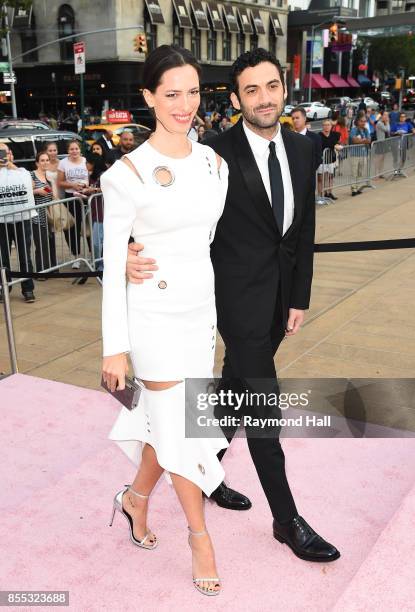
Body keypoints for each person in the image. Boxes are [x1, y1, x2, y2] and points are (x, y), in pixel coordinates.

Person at [127, 48, 340, 564]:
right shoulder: (212, 154)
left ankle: (204, 476)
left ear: (283, 88)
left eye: (271, 86)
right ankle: (287, 521)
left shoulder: (304, 147)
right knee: (264, 404)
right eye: (252, 90)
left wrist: (299, 298)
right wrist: (131, 250)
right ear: (237, 97)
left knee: (230, 392)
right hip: (231, 301)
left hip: (278, 301)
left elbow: (303, 230)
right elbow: (166, 211)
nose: (264, 98)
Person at [101, 45, 230, 597]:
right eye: (171, 93)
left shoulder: (213, 163)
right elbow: (112, 262)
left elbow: (207, 241)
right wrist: (115, 346)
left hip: (200, 315)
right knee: (181, 425)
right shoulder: (124, 174)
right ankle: (199, 535)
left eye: (193, 92)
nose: (184, 105)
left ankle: (134, 499)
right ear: (149, 96)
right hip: (151, 316)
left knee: (170, 422)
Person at [0, 143, 36, 303]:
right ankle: (4, 287)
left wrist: (9, 165)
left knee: (25, 256)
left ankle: (28, 289)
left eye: (4, 152)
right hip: (2, 223)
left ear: (10, 154)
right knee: (3, 258)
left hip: (22, 221)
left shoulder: (21, 172)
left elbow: (31, 183)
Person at [57, 139, 90, 269]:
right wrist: (73, 185)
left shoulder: (85, 160)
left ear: (80, 149)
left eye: (76, 148)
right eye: (71, 149)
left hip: (87, 196)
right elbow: (60, 182)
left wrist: (85, 186)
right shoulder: (63, 163)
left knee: (88, 227)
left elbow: (89, 177)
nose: (74, 151)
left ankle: (93, 255)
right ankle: (76, 257)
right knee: (73, 228)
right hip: (71, 198)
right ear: (68, 150)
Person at [30, 151, 57, 272]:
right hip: (37, 215)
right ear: (37, 163)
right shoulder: (31, 175)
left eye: (47, 160)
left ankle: (52, 268)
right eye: (42, 160)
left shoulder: (49, 176)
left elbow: (53, 195)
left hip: (48, 214)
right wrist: (37, 191)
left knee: (50, 242)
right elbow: (27, 193)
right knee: (41, 243)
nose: (45, 162)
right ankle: (42, 271)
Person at [290, 106, 323, 202]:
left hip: (308, 180)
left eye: (297, 118)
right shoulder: (288, 138)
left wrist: (307, 171)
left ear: (304, 119)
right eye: (293, 118)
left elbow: (318, 158)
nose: (295, 120)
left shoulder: (315, 138)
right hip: (291, 181)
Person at [318, 119, 341, 200]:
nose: (326, 127)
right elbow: (324, 144)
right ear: (322, 126)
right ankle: (321, 195)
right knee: (321, 178)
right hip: (322, 161)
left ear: (331, 126)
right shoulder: (319, 135)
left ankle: (329, 192)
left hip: (331, 159)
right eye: (325, 125)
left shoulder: (334, 135)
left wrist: (337, 144)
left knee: (330, 177)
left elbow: (338, 141)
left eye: (328, 125)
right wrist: (334, 145)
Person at [349, 114, 371, 196]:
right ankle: (353, 189)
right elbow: (354, 140)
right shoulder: (354, 130)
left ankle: (357, 187)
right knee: (354, 172)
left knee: (360, 172)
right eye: (361, 121)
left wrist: (361, 140)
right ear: (357, 122)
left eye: (364, 121)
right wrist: (363, 140)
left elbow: (369, 140)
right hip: (355, 154)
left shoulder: (365, 130)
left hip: (363, 154)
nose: (363, 123)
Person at [374, 110, 391, 178]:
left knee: (383, 159)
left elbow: (388, 130)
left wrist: (387, 123)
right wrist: (387, 122)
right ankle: (376, 174)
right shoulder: (379, 123)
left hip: (385, 142)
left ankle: (381, 173)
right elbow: (387, 130)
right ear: (382, 116)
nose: (386, 117)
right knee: (378, 159)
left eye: (387, 115)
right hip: (380, 143)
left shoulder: (384, 123)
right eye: (385, 115)